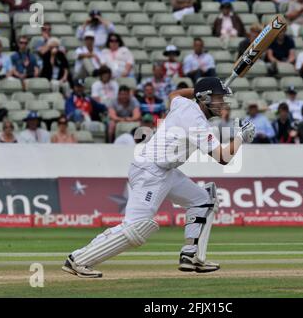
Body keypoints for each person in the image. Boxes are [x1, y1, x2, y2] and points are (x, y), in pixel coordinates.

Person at [61, 77, 255, 278]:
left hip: (165, 171)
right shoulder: (197, 122)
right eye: (218, 98)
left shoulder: (182, 104)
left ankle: (192, 256)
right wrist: (241, 136)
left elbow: (174, 94)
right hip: (151, 173)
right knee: (136, 228)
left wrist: (198, 90)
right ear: (204, 98)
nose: (222, 103)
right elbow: (223, 158)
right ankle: (79, 260)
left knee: (203, 200)